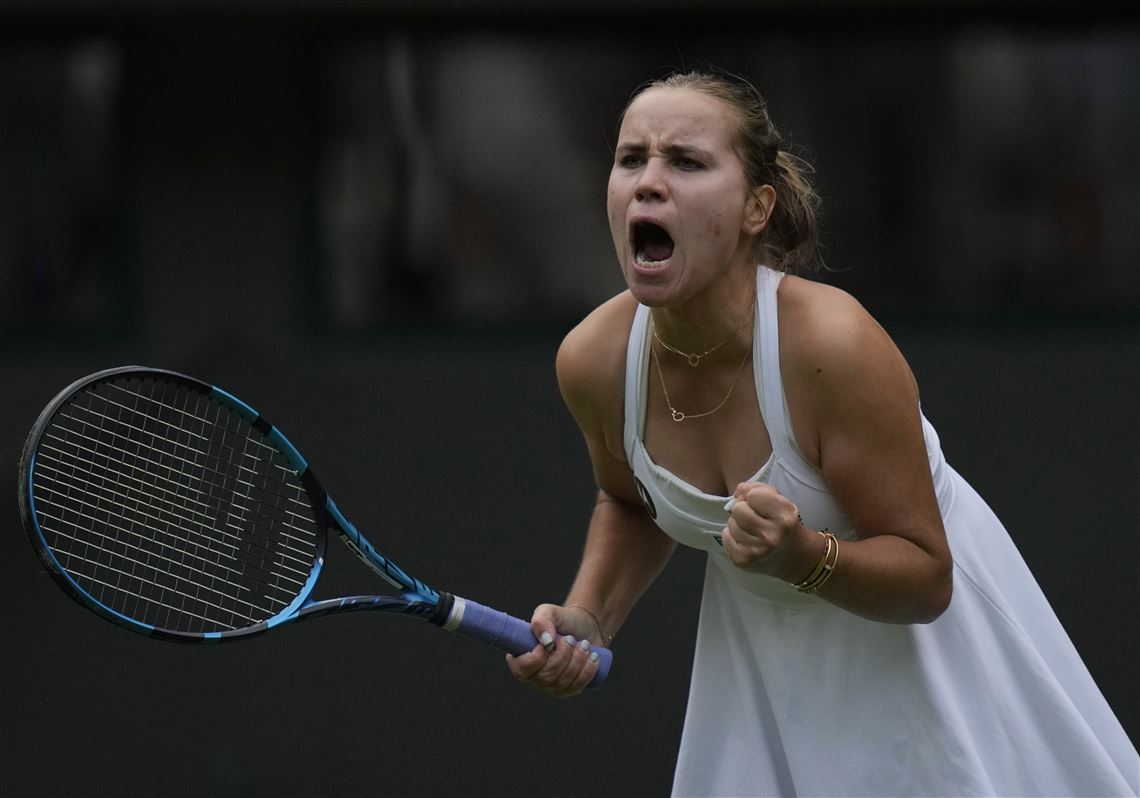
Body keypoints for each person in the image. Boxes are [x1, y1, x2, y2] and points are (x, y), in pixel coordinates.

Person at [504, 69, 1139, 796]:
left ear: (755, 208)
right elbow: (630, 501)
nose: (648, 183)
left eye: (685, 161)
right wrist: (589, 616)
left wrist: (803, 556)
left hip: (936, 671)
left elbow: (929, 577)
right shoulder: (594, 361)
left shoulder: (833, 346)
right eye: (630, 159)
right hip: (762, 691)